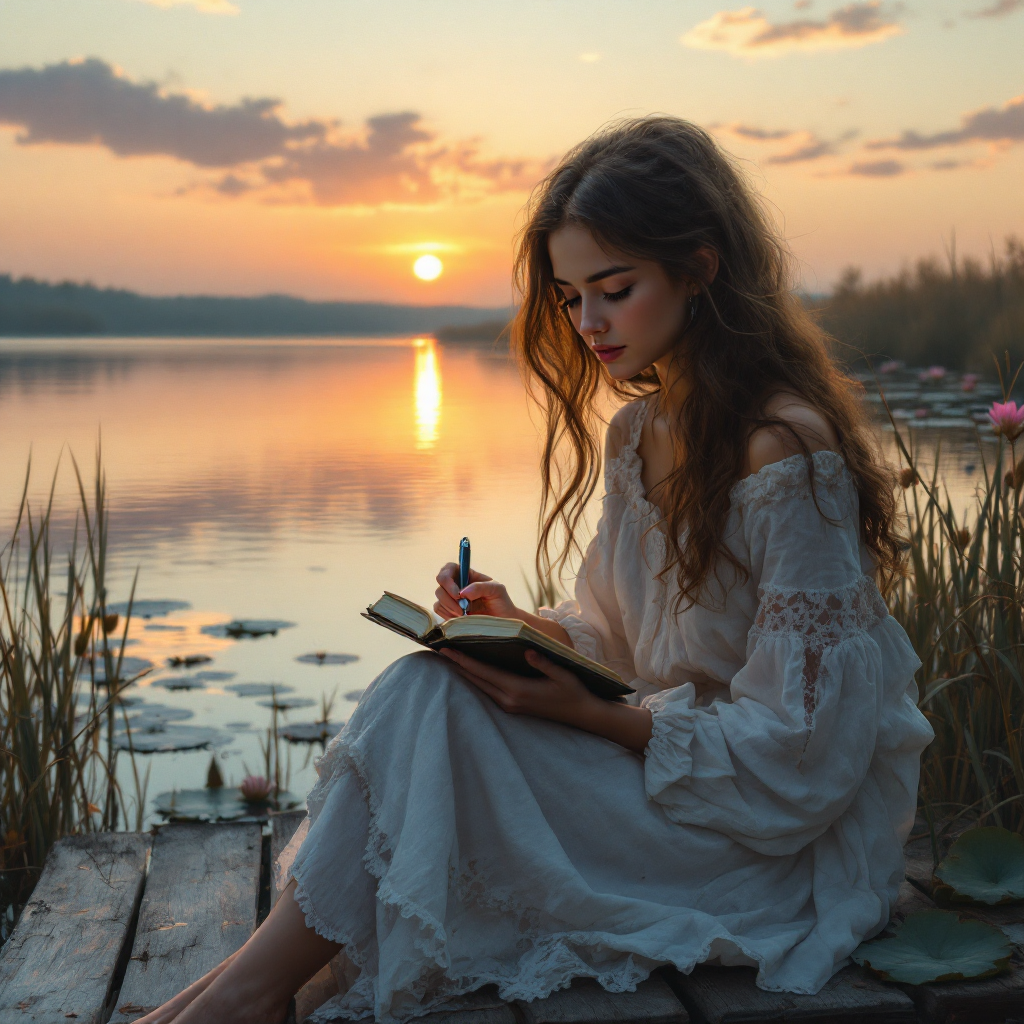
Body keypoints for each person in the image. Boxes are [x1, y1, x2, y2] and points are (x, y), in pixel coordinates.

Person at [135, 116, 933, 1024]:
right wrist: (522, 628)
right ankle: (243, 990)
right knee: (429, 684)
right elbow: (618, 635)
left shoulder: (784, 450)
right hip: (671, 781)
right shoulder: (642, 432)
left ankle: (238, 995)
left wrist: (598, 717)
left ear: (701, 268)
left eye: (613, 289)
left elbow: (807, 760)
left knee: (424, 707)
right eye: (567, 298)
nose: (588, 324)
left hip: (762, 843)